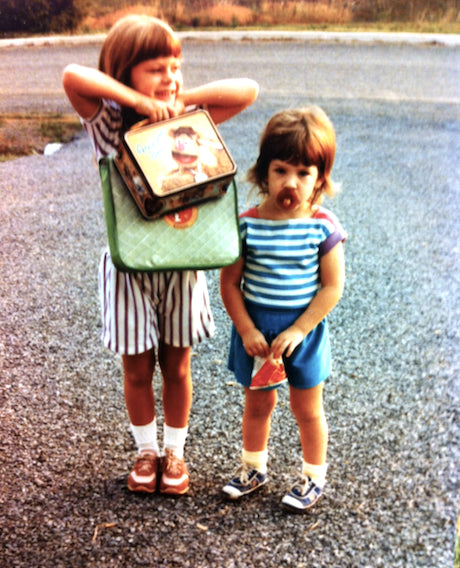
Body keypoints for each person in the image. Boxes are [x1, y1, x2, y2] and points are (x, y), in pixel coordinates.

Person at [62, 15, 258, 496]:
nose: (169, 76)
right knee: (136, 368)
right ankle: (145, 451)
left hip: (183, 264)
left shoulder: (187, 122)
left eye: (175, 66)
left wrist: (179, 99)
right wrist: (137, 101)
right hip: (129, 267)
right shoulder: (109, 125)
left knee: (178, 366)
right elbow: (72, 76)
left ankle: (175, 452)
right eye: (155, 69)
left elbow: (247, 90)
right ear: (124, 72)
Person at [220, 107, 346, 512]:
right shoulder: (247, 224)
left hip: (302, 334)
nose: (291, 182)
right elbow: (229, 284)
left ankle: (313, 476)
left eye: (303, 173)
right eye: (281, 171)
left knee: (306, 408)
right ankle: (253, 468)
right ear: (264, 172)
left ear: (319, 179)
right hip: (258, 332)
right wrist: (245, 329)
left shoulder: (322, 226)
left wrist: (300, 329)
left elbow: (332, 287)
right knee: (258, 404)